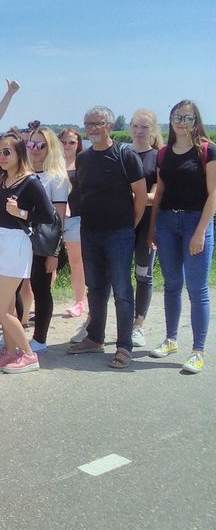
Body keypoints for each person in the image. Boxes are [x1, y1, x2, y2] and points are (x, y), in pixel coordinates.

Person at [67, 107, 147, 369]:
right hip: (90, 232)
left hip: (119, 233)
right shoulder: (83, 158)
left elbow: (140, 196)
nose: (91, 129)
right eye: (87, 124)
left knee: (122, 291)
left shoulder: (125, 155)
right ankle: (95, 338)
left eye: (97, 123)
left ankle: (124, 346)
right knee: (96, 288)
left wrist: (129, 227)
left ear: (110, 126)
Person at [148, 100, 216, 373]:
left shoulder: (207, 151)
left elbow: (214, 194)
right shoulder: (164, 153)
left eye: (187, 118)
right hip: (166, 221)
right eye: (177, 117)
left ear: (195, 120)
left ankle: (198, 351)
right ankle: (170, 339)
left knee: (197, 289)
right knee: (172, 284)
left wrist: (200, 231)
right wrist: (152, 228)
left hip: (195, 221)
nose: (181, 122)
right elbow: (160, 193)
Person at [0, 132, 55, 374]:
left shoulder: (30, 181)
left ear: (19, 153)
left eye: (7, 152)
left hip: (16, 244)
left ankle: (28, 354)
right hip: (0, 239)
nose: (1, 157)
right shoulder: (4, 180)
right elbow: (6, 214)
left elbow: (48, 215)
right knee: (6, 305)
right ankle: (10, 351)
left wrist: (22, 213)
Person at [23, 127, 69, 353]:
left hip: (43, 243)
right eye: (31, 145)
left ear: (50, 148)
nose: (35, 150)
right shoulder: (23, 173)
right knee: (14, 289)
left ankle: (40, 338)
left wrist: (55, 252)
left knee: (41, 290)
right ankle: (13, 332)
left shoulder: (57, 178)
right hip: (20, 241)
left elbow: (59, 218)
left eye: (41, 145)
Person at [127, 110, 162, 348]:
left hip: (148, 225)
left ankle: (138, 325)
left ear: (153, 130)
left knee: (143, 275)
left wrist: (138, 197)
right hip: (121, 224)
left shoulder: (158, 157)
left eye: (145, 127)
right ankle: (118, 321)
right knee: (117, 276)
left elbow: (159, 194)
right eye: (136, 126)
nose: (140, 131)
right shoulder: (121, 153)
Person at [59, 127, 86, 324]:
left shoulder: (84, 163)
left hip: (76, 218)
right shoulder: (54, 164)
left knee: (76, 262)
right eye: (64, 142)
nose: (67, 146)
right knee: (48, 264)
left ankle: (79, 301)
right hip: (55, 220)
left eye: (72, 142)